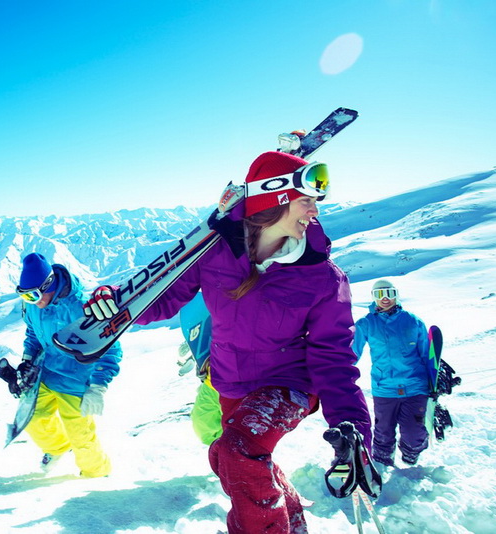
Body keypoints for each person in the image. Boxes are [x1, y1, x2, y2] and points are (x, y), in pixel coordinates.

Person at [85, 151, 373, 534]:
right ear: (276, 198)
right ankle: (292, 523)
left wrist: (352, 425)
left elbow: (333, 358)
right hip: (231, 383)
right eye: (307, 201)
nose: (315, 212)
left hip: (290, 384)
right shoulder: (216, 252)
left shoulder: (321, 277)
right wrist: (114, 299)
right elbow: (165, 298)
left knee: (238, 450)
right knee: (226, 458)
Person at [15, 252, 122, 477]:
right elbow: (33, 332)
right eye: (25, 297)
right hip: (46, 374)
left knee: (80, 435)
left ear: (49, 284)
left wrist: (98, 387)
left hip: (77, 380)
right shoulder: (36, 306)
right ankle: (57, 448)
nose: (33, 302)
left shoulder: (83, 306)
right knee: (33, 420)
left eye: (34, 295)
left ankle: (98, 475)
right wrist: (27, 361)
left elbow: (110, 347)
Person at [353, 279, 430, 466]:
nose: (385, 298)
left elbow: (427, 354)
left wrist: (435, 381)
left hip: (415, 386)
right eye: (379, 294)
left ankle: (412, 454)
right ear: (373, 298)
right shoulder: (366, 324)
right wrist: (336, 371)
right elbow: (352, 352)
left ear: (396, 294)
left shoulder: (413, 321)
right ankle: (382, 462)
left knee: (414, 432)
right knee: (383, 431)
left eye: (389, 293)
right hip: (384, 387)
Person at [177, 293, 222, 446]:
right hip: (213, 381)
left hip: (234, 381)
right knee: (203, 425)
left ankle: (238, 457)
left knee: (235, 425)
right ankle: (230, 455)